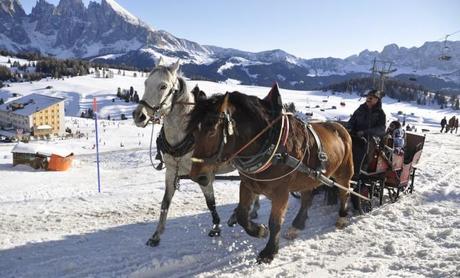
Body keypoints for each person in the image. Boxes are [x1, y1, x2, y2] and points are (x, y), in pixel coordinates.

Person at [348, 89, 386, 178]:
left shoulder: (380, 113)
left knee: (363, 146)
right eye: (368, 97)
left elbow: (381, 129)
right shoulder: (360, 109)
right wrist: (349, 128)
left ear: (377, 100)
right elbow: (351, 121)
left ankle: (358, 172)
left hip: (370, 138)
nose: (369, 99)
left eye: (371, 97)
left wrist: (365, 132)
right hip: (355, 135)